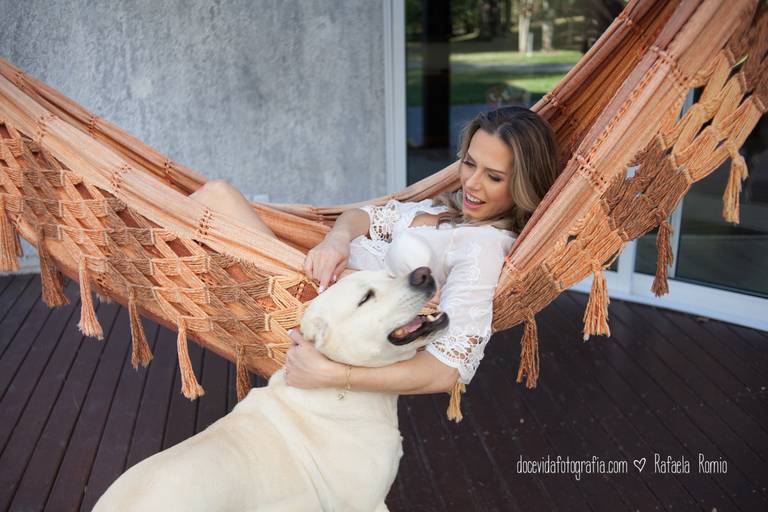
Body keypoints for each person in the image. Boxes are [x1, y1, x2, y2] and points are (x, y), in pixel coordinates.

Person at [190, 106, 560, 403]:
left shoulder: (482, 246)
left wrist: (333, 375)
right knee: (211, 199)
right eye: (469, 163)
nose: (472, 183)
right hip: (309, 268)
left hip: (309, 302)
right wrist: (336, 240)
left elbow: (446, 370)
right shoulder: (446, 210)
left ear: (523, 186)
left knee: (215, 197)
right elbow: (363, 217)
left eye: (494, 177)